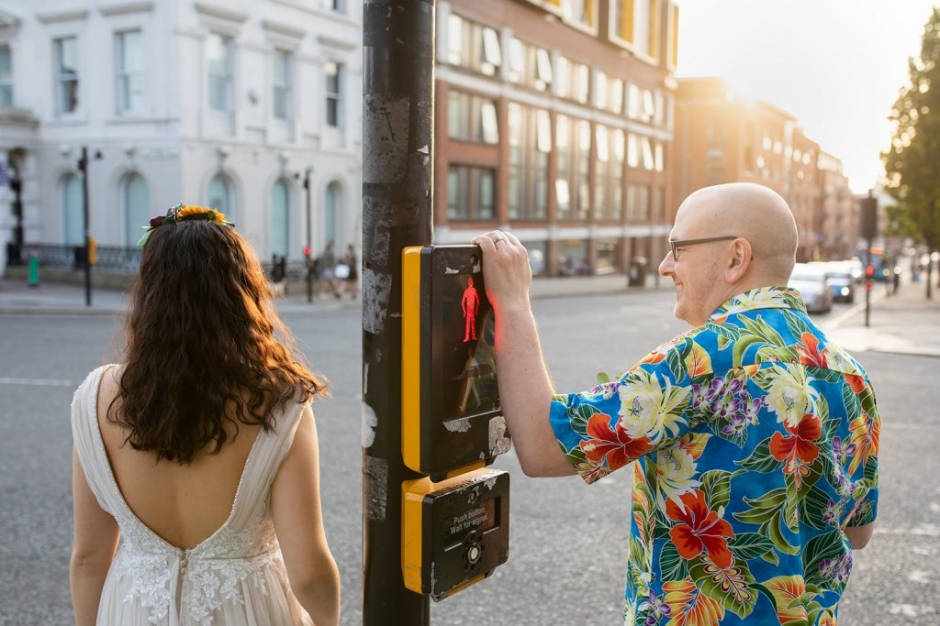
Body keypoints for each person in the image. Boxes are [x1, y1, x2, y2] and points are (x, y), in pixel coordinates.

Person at [472, 182, 880, 624]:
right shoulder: (852, 377)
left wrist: (512, 301)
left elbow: (542, 446)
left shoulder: (699, 360)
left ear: (736, 258)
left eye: (679, 248)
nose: (665, 266)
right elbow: (858, 532)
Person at [70, 204, 340, 625]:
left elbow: (88, 558)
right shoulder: (281, 403)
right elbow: (308, 571)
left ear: (149, 295)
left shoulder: (95, 399)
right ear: (242, 295)